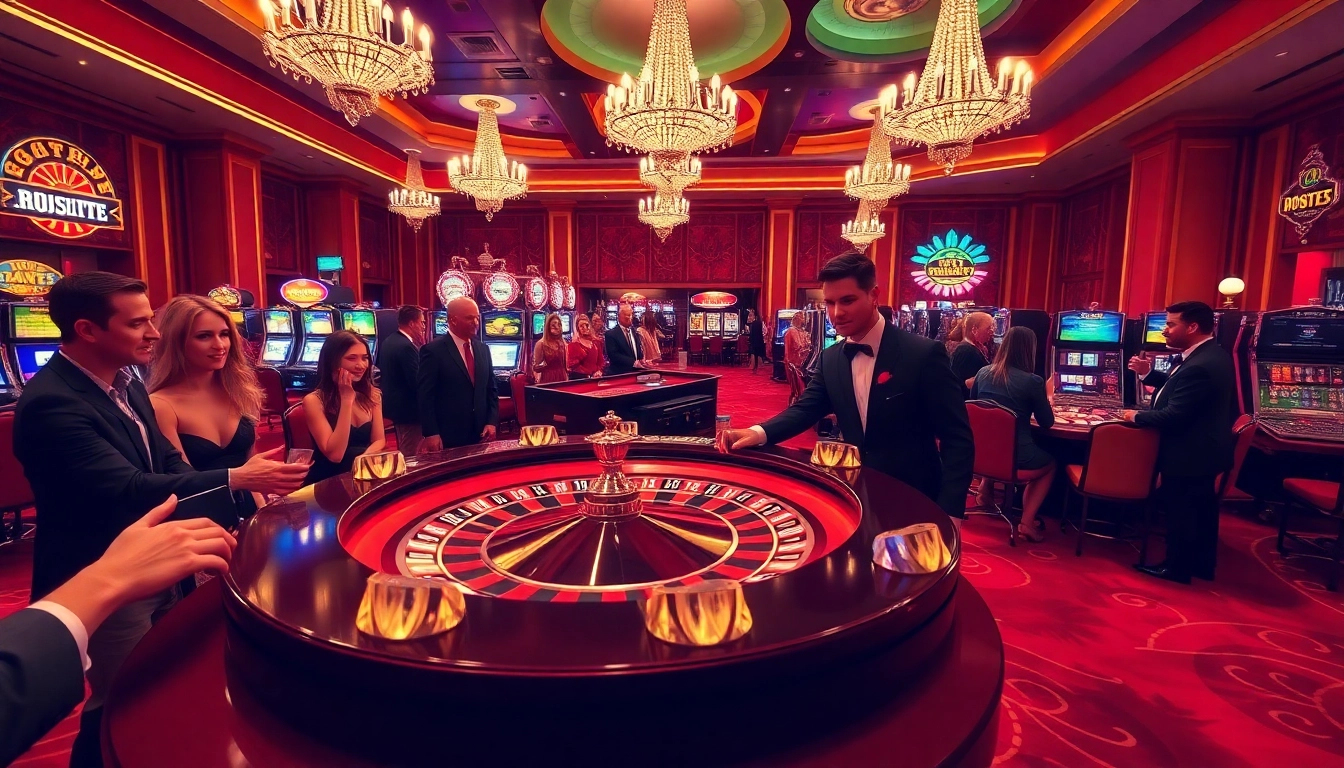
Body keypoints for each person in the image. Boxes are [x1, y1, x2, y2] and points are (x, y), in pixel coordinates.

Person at [12, 271, 306, 767]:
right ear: (87, 330)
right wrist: (235, 477)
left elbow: (166, 465)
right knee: (120, 703)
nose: (153, 333)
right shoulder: (52, 402)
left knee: (166, 683)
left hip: (158, 557)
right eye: (138, 323)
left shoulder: (126, 383)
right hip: (103, 572)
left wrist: (234, 497)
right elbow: (127, 488)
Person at [717, 252, 975, 521]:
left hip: (915, 500)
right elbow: (805, 410)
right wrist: (757, 432)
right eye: (829, 303)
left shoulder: (922, 354)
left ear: (874, 295)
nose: (836, 313)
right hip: (854, 496)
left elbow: (957, 438)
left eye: (847, 300)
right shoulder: (831, 358)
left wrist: (951, 513)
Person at [0, 496, 236, 767]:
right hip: (91, 559)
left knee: (163, 686)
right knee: (116, 702)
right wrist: (108, 579)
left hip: (151, 556)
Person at [1123, 300, 1236, 584]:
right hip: (1204, 448)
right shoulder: (1209, 354)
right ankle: (1200, 564)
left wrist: (1135, 416)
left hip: (1190, 451)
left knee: (1183, 511)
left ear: (1193, 327)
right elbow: (1179, 387)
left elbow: (1175, 415)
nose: (1164, 330)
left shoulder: (1201, 364)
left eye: (1171, 324)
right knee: (1202, 510)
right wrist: (1148, 373)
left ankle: (1177, 568)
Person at [148, 295, 267, 516]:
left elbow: (250, 469)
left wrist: (263, 512)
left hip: (249, 514)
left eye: (224, 334)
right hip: (201, 520)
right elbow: (184, 484)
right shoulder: (161, 405)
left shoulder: (239, 392)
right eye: (204, 336)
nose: (219, 345)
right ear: (177, 342)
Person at [969, 327, 1056, 541]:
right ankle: (1027, 522)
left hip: (979, 452)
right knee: (1051, 465)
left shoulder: (983, 373)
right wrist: (1049, 397)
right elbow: (1047, 422)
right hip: (1015, 457)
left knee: (997, 439)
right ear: (1029, 350)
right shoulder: (1033, 381)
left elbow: (975, 408)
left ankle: (984, 492)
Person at [302, 330, 386, 484]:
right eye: (351, 358)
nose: (361, 365)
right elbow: (335, 455)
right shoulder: (314, 401)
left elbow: (379, 440)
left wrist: (363, 459)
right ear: (332, 362)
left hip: (363, 473)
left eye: (365, 358)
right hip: (328, 480)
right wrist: (347, 400)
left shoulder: (373, 395)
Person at [418, 296, 498, 451]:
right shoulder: (433, 351)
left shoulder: (483, 349)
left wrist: (491, 421)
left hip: (481, 433)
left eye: (477, 317)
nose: (475, 322)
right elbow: (425, 396)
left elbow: (491, 389)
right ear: (453, 320)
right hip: (449, 434)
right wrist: (431, 433)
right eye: (469, 318)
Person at [377, 305, 425, 455]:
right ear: (412, 323)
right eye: (422, 322)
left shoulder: (389, 340)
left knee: (405, 446)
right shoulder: (406, 346)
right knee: (410, 451)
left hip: (394, 405)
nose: (424, 326)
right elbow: (416, 382)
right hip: (408, 410)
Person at [949, 311, 995, 396]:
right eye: (988, 328)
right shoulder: (965, 351)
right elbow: (957, 384)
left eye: (993, 327)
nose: (992, 331)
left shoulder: (976, 348)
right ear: (974, 329)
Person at [532, 312, 569, 384]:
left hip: (563, 377)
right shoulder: (541, 343)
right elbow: (536, 367)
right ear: (548, 327)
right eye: (553, 325)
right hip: (548, 378)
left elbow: (566, 365)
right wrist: (544, 366)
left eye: (559, 324)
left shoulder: (563, 342)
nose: (557, 327)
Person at [604, 304, 642, 375]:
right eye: (626, 315)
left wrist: (642, 361)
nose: (629, 317)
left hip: (637, 372)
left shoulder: (634, 332)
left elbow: (638, 350)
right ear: (619, 317)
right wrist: (632, 362)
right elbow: (613, 355)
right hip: (620, 374)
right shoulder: (611, 334)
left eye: (630, 315)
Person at [567, 314, 604, 379]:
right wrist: (589, 374)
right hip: (581, 380)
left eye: (586, 325)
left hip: (596, 378)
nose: (585, 328)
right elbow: (574, 366)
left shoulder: (596, 343)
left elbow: (601, 361)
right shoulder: (573, 345)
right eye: (581, 326)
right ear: (578, 329)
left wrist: (599, 371)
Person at [746, 309, 769, 374]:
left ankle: (756, 368)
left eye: (751, 316)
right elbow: (764, 332)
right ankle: (756, 368)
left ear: (755, 316)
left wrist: (750, 340)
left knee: (756, 355)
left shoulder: (754, 324)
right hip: (759, 341)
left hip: (755, 341)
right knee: (757, 355)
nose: (749, 317)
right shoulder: (759, 323)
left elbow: (752, 334)